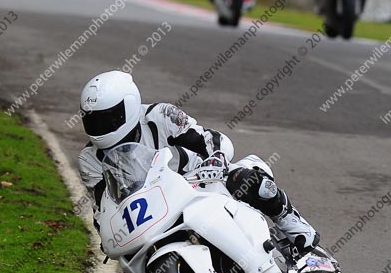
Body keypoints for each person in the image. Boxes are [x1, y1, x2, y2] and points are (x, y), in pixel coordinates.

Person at [77, 70, 319, 259]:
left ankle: (292, 223)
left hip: (198, 181)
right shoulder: (89, 159)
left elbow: (210, 139)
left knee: (249, 182)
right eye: (93, 121)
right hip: (153, 213)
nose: (100, 128)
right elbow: (102, 208)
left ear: (129, 106)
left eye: (107, 119)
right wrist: (106, 232)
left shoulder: (160, 116)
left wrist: (216, 159)